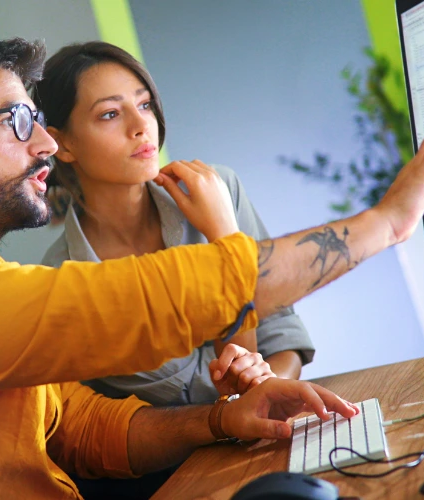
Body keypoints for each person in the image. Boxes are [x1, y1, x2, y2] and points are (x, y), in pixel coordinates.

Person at [0, 33, 424, 499]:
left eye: (37, 121)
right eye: (15, 122)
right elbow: (145, 301)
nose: (43, 144)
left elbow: (82, 427)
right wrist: (386, 222)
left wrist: (220, 419)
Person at [37, 42, 310, 407]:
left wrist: (268, 390)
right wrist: (225, 240)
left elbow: (282, 337)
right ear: (61, 143)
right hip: (185, 462)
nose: (141, 126)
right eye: (110, 114)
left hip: (272, 428)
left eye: (145, 104)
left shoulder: (219, 190)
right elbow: (217, 389)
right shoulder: (64, 284)